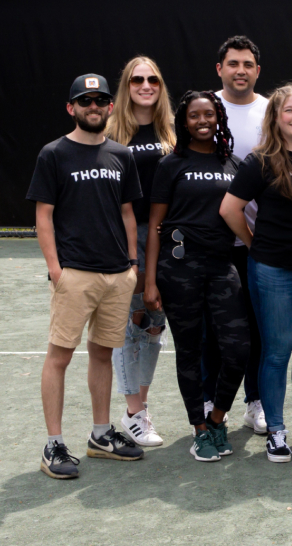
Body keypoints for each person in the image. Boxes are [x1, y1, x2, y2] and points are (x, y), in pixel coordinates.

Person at [28, 74, 144, 479]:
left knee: (101, 354)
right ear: (71, 108)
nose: (93, 107)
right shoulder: (54, 154)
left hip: (117, 275)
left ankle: (100, 434)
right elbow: (43, 215)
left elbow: (128, 213)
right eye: (85, 101)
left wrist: (132, 264)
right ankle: (54, 444)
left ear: (111, 107)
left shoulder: (121, 155)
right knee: (59, 356)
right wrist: (56, 270)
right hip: (75, 274)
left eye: (100, 101)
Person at [220, 84, 292, 462]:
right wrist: (256, 245)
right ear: (275, 117)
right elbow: (229, 209)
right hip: (274, 271)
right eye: (288, 111)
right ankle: (276, 431)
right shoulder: (260, 161)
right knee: (276, 352)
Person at [143, 91, 248, 462]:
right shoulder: (171, 164)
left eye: (209, 114)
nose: (203, 121)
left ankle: (217, 418)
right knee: (188, 350)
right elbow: (155, 224)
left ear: (219, 118)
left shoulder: (233, 163)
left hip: (222, 265)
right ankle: (199, 430)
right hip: (178, 267)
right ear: (183, 122)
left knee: (238, 348)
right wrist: (151, 281)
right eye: (194, 115)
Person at [104, 57, 174, 448]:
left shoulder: (172, 132)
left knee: (155, 325)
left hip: (164, 238)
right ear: (126, 86)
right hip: (125, 238)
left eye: (152, 79)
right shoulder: (111, 132)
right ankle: (133, 412)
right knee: (131, 324)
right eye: (137, 80)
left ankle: (140, 408)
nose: (145, 85)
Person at [212, 35, 270, 434]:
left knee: (258, 327)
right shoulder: (204, 108)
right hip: (211, 241)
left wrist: (255, 237)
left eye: (247, 64)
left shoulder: (271, 111)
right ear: (220, 69)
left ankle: (257, 402)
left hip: (258, 241)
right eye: (233, 64)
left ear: (257, 70)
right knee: (211, 328)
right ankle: (212, 403)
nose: (240, 71)